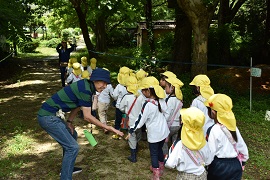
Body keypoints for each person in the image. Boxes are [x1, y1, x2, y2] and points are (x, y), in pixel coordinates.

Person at [37, 68, 124, 180]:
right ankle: (65, 177)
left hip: (54, 115)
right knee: (73, 147)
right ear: (95, 80)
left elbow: (78, 105)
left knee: (72, 135)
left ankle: (68, 168)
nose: (105, 86)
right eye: (103, 82)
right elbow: (87, 116)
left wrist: (69, 122)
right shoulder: (85, 89)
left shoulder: (87, 87)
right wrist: (108, 127)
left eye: (106, 83)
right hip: (48, 117)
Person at [127, 76, 169, 180]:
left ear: (149, 91)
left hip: (154, 134)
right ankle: (161, 168)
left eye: (143, 90)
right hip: (163, 131)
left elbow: (140, 121)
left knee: (153, 154)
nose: (142, 92)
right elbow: (166, 112)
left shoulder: (148, 105)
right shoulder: (161, 100)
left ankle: (156, 174)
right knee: (159, 150)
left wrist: (131, 129)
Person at [204, 94, 249, 180]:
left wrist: (206, 164)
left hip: (218, 166)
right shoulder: (233, 128)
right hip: (235, 165)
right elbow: (242, 146)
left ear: (213, 111)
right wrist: (243, 162)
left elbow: (211, 152)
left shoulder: (213, 129)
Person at [165, 107, 213, 179]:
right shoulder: (204, 143)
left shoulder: (180, 145)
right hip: (202, 175)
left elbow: (170, 164)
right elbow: (208, 161)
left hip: (185, 176)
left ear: (183, 123)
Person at [119, 76, 140, 162]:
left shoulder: (126, 97)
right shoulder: (140, 95)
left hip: (130, 120)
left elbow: (121, 108)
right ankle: (137, 146)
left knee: (131, 136)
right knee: (138, 133)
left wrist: (126, 110)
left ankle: (133, 156)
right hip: (140, 120)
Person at [162, 76, 184, 158]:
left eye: (167, 87)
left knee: (164, 141)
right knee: (174, 142)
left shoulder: (170, 100)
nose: (165, 89)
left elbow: (168, 114)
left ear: (172, 88)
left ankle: (166, 156)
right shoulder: (179, 99)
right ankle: (175, 156)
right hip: (177, 124)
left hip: (169, 125)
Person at [111, 66, 129, 139]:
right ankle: (127, 131)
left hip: (119, 106)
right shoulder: (130, 85)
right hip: (128, 106)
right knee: (127, 119)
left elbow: (114, 95)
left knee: (118, 119)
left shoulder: (119, 86)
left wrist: (116, 99)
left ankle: (117, 131)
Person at [97, 69, 114, 133]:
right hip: (107, 101)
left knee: (101, 114)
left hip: (101, 101)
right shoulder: (109, 85)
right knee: (105, 113)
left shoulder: (98, 84)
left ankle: (105, 128)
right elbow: (113, 94)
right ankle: (105, 124)